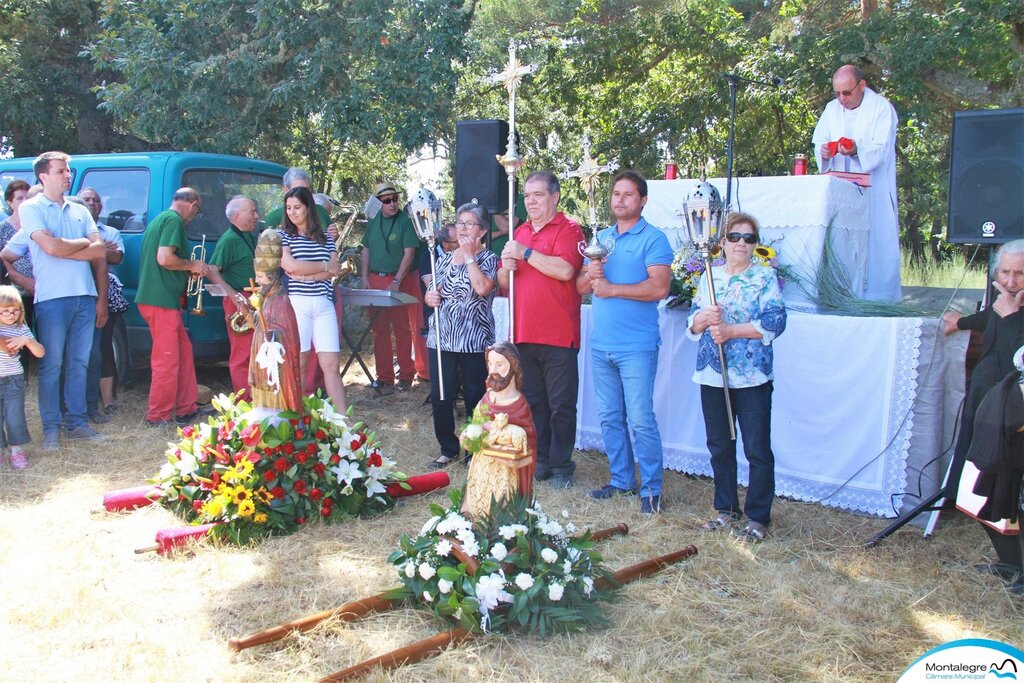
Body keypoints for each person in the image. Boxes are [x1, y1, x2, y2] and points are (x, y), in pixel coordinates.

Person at [576, 171, 673, 514]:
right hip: (602, 344)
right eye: (616, 193)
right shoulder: (600, 238)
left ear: (642, 200)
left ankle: (651, 490)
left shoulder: (654, 239)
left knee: (641, 419)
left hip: (636, 346)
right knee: (609, 417)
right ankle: (620, 481)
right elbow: (580, 288)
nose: (620, 199)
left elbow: (659, 288)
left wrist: (612, 288)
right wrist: (592, 273)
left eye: (628, 194)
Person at [687, 212, 787, 543]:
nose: (741, 243)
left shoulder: (764, 278)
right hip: (713, 374)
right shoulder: (708, 278)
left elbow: (776, 321)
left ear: (755, 245)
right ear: (722, 243)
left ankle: (758, 516)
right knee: (719, 444)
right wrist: (703, 318)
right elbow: (691, 323)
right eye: (734, 237)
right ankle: (726, 509)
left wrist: (731, 330)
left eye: (748, 238)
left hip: (752, 375)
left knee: (756, 447)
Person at [942, 239, 1024, 581]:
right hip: (984, 407)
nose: (1010, 280)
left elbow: (1016, 363)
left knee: (1007, 492)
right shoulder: (1006, 304)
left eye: (1020, 273)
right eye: (1005, 271)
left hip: (1011, 416)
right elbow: (991, 315)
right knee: (975, 487)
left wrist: (1008, 320)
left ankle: (1020, 571)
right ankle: (1010, 563)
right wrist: (960, 323)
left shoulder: (1012, 311)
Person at [498, 171, 585, 488]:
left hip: (559, 333)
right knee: (534, 401)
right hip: (524, 332)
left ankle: (563, 465)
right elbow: (503, 285)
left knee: (561, 403)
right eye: (527, 195)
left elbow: (565, 270)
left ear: (555, 196)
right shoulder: (518, 232)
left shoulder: (569, 229)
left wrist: (526, 254)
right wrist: (506, 268)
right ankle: (542, 460)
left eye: (538, 195)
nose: (531, 201)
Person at [18, 151, 108, 449]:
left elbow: (99, 251)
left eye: (68, 171)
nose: (68, 175)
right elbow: (50, 247)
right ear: (43, 176)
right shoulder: (31, 208)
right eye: (61, 171)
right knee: (52, 364)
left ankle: (77, 422)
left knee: (79, 363)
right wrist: (80, 244)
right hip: (52, 299)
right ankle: (52, 428)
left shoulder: (80, 210)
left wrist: (64, 246)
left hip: (84, 296)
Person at [812, 64, 901, 302]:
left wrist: (856, 150)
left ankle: (878, 299)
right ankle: (841, 297)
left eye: (847, 93)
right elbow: (819, 140)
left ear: (862, 85)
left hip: (874, 190)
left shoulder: (881, 108)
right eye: (837, 93)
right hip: (840, 191)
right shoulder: (831, 110)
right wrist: (824, 152)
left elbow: (881, 148)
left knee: (875, 243)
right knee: (841, 242)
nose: (842, 99)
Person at [423, 203, 498, 468]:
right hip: (442, 338)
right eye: (460, 223)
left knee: (475, 395)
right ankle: (448, 447)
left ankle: (474, 449)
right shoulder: (442, 258)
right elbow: (432, 290)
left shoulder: (489, 259)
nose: (462, 229)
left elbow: (482, 289)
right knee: (440, 392)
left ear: (482, 231)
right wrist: (429, 296)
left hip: (474, 340)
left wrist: (469, 257)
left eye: (469, 224)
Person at [135, 187, 214, 427]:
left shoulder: (161, 218)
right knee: (167, 359)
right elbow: (165, 258)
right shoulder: (174, 220)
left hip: (163, 299)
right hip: (160, 300)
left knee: (183, 353)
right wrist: (193, 265)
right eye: (197, 210)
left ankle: (185, 408)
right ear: (192, 204)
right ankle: (158, 415)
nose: (194, 216)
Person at [278, 186, 347, 411]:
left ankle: (343, 422)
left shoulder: (325, 236)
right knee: (300, 363)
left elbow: (335, 268)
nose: (292, 212)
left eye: (297, 207)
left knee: (331, 365)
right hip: (297, 304)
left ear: (308, 208)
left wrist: (307, 274)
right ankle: (293, 414)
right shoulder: (283, 235)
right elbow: (289, 265)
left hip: (323, 302)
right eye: (288, 208)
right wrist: (323, 268)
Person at [359, 182, 424, 393]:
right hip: (375, 280)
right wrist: (364, 277)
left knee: (402, 329)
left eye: (395, 199)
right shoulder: (373, 221)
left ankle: (406, 374)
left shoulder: (405, 221)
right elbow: (366, 249)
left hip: (399, 280)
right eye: (387, 200)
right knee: (379, 330)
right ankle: (384, 377)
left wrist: (397, 280)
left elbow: (409, 253)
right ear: (379, 203)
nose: (393, 203)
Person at [462, 340, 538, 517]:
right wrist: (469, 436)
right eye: (490, 364)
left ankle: (502, 527)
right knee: (477, 507)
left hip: (506, 474)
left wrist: (514, 453)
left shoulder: (519, 405)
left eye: (500, 364)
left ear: (513, 366)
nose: (494, 370)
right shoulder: (486, 399)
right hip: (482, 469)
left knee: (500, 512)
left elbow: (529, 443)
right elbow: (475, 427)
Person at [78, 188, 126, 421]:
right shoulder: (73, 229)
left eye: (96, 200)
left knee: (103, 348)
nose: (92, 203)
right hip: (77, 294)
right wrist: (100, 249)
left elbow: (116, 257)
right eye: (87, 199)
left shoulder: (111, 231)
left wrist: (93, 251)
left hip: (104, 295)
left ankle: (107, 402)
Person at [209, 195, 259, 400]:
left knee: (256, 350)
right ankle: (243, 401)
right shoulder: (229, 240)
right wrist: (234, 295)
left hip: (254, 298)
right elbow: (212, 270)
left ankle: (257, 397)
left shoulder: (248, 235)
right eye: (252, 212)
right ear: (237, 215)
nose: (257, 216)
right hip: (240, 300)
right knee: (242, 352)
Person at [249, 229, 303, 414]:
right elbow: (256, 326)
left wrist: (273, 336)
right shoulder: (264, 300)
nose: (257, 281)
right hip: (261, 359)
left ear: (272, 278)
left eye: (261, 277)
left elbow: (289, 337)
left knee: (279, 396)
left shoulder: (282, 302)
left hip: (278, 364)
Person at [0, 286, 44, 469]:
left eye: (15, 310)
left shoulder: (21, 329)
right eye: (5, 311)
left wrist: (27, 341)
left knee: (14, 417)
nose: (11, 314)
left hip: (13, 379)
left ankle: (16, 450)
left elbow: (40, 353)